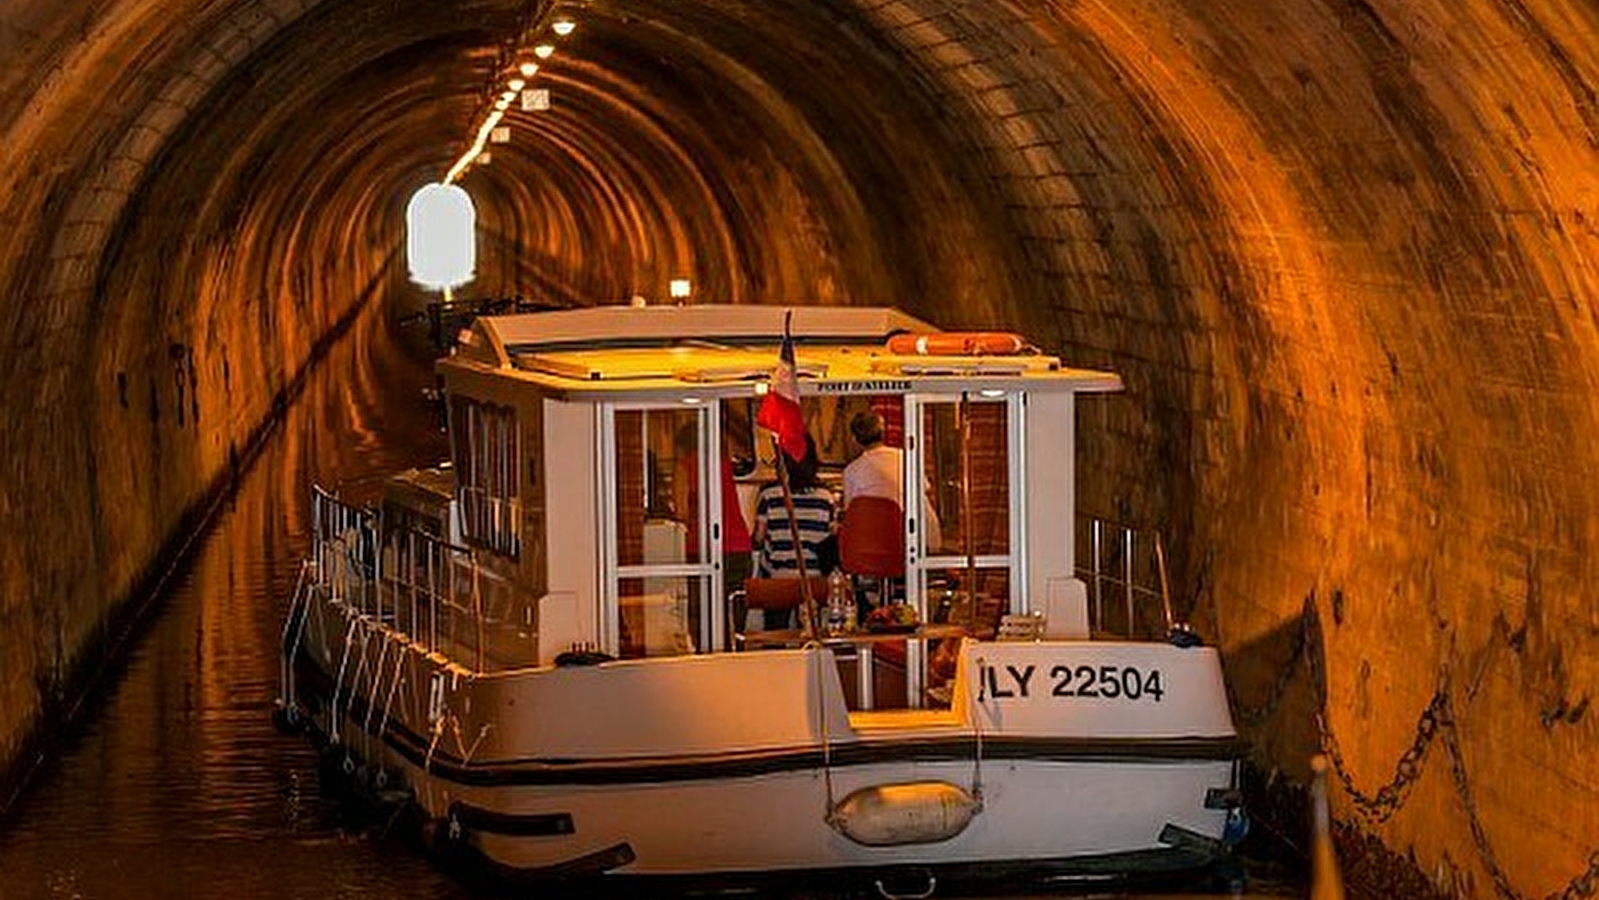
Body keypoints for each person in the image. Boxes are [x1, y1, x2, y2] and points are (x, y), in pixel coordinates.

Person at [751, 434, 837, 628]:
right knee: (809, 630)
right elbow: (831, 537)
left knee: (775, 630)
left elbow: (758, 538)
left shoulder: (769, 495)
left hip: (779, 580)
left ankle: (774, 650)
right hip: (814, 582)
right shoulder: (826, 497)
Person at [842, 410, 942, 552]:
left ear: (854, 439)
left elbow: (852, 514)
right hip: (923, 538)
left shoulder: (852, 471)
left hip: (883, 546)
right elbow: (924, 490)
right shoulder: (907, 458)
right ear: (883, 434)